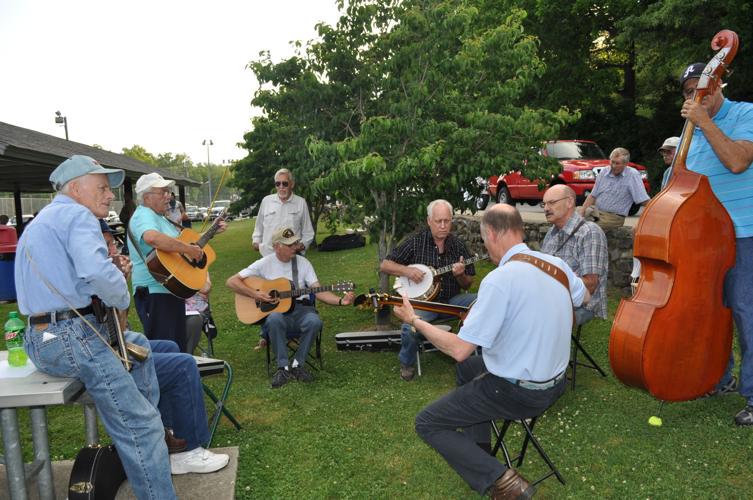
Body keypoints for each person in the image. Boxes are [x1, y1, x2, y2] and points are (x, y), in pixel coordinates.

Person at [393, 204, 588, 498]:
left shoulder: (500, 279)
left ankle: (502, 481)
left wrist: (414, 320)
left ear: (494, 234)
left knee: (427, 422)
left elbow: (459, 349)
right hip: (556, 383)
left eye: (485, 241)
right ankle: (480, 451)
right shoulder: (555, 265)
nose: (487, 248)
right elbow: (583, 295)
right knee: (468, 370)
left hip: (519, 392)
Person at [14, 155, 177, 499]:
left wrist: (105, 273)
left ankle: (143, 446)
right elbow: (98, 276)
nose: (109, 196)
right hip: (71, 337)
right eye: (102, 188)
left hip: (43, 338)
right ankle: (145, 442)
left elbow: (74, 280)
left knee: (141, 352)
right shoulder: (77, 215)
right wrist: (120, 293)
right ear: (75, 188)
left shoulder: (45, 220)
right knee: (141, 427)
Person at [100, 219, 229, 474]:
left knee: (169, 346)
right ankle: (190, 450)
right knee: (182, 366)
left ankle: (170, 437)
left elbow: (120, 326)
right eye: (107, 245)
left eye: (114, 244)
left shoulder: (104, 271)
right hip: (99, 353)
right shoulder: (92, 273)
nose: (114, 250)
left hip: (112, 342)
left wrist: (121, 281)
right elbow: (109, 335)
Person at [678, 62, 753, 425]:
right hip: (705, 241)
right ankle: (719, 379)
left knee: (745, 312)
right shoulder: (688, 136)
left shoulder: (745, 114)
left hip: (745, 234)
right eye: (690, 91)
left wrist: (704, 122)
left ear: (718, 84)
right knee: (711, 313)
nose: (697, 96)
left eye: (703, 88)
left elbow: (738, 162)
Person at [227, 226, 355, 388]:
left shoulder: (303, 264)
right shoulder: (264, 263)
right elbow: (231, 281)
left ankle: (297, 364)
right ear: (276, 247)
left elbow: (318, 290)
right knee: (273, 319)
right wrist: (256, 294)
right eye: (290, 245)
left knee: (314, 321)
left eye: (295, 243)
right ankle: (283, 367)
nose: (295, 247)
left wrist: (340, 301)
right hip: (277, 313)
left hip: (302, 309)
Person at [379, 199, 477, 381]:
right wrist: (407, 270)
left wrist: (460, 275)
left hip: (451, 301)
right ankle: (407, 363)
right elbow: (385, 265)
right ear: (429, 221)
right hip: (425, 306)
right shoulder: (415, 242)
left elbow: (467, 284)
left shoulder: (458, 246)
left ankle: (475, 353)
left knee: (481, 301)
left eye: (446, 221)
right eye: (438, 221)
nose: (442, 226)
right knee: (409, 325)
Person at [127, 172, 225, 352]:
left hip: (170, 288)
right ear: (147, 196)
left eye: (168, 192)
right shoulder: (143, 215)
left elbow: (180, 248)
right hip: (153, 292)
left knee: (175, 347)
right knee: (166, 349)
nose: (168, 196)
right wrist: (187, 249)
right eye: (163, 192)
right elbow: (152, 238)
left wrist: (211, 232)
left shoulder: (160, 217)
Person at [541, 185, 608, 325]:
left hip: (582, 305)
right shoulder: (551, 233)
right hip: (549, 298)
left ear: (569, 202)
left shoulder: (589, 232)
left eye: (551, 203)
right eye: (544, 204)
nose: (546, 208)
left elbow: (590, 284)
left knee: (532, 317)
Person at [577, 147, 651, 230]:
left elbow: (643, 199)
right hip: (597, 212)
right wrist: (582, 212)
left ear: (626, 164)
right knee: (572, 216)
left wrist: (658, 211)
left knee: (588, 228)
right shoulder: (604, 171)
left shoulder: (632, 175)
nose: (613, 166)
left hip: (614, 217)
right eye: (612, 162)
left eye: (617, 163)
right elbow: (592, 196)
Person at [252, 168, 315, 256]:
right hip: (269, 256)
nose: (281, 187)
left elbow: (308, 232)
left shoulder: (300, 202)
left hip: (293, 256)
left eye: (285, 183)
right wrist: (256, 243)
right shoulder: (266, 201)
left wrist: (301, 246)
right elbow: (258, 228)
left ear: (292, 184)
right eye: (278, 184)